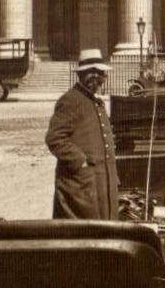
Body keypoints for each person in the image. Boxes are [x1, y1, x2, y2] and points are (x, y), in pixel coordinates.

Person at [46, 48, 119, 219]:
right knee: (84, 235)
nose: (95, 76)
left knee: (105, 231)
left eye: (99, 72)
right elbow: (54, 138)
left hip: (99, 183)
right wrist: (80, 161)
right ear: (80, 74)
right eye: (90, 72)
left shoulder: (96, 102)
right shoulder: (71, 100)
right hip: (80, 185)